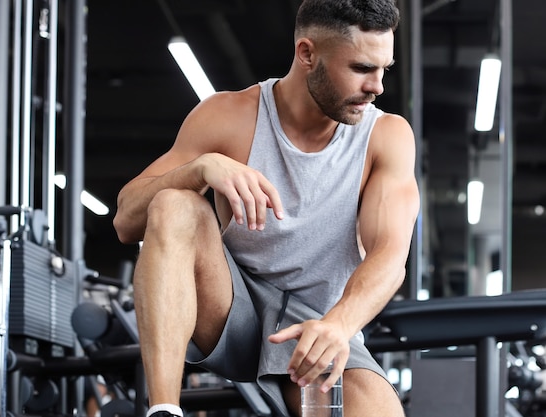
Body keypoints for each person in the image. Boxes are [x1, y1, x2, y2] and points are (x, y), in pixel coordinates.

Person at [113, 0, 419, 415]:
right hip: (228, 310)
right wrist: (200, 169)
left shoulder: (386, 136)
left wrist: (340, 325)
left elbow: (390, 254)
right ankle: (164, 409)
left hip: (316, 325)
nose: (377, 86)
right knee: (173, 203)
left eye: (385, 69)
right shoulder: (227, 116)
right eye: (362, 68)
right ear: (307, 54)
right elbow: (126, 220)